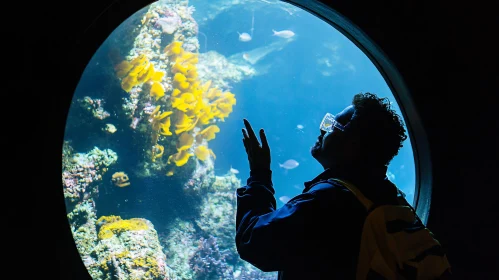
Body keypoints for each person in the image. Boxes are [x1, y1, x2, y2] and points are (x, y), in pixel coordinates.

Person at [235, 92, 409, 279]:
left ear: (353, 144)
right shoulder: (391, 198)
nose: (322, 130)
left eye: (333, 126)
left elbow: (253, 242)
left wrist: (259, 174)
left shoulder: (328, 201)